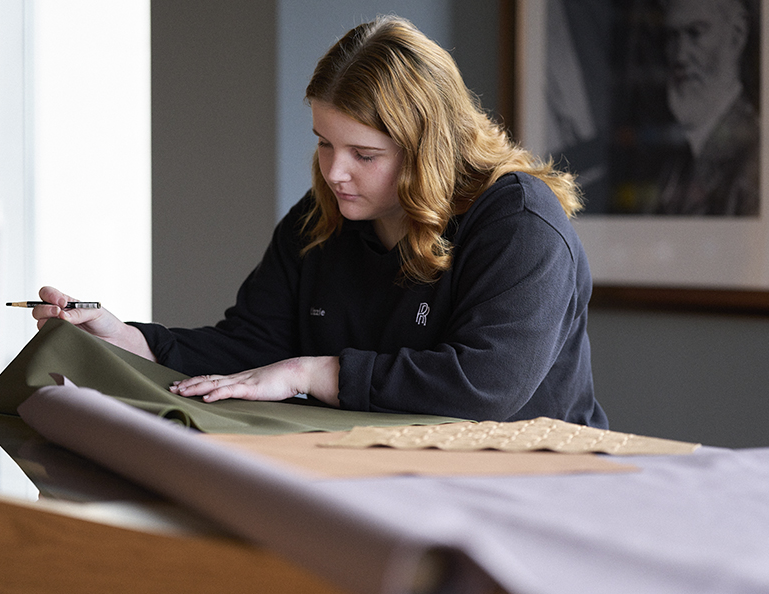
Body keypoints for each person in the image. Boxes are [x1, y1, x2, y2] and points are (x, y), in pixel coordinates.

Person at [34, 16, 608, 428]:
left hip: (538, 490)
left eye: (364, 154)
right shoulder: (318, 222)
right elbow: (251, 350)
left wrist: (312, 374)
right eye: (324, 143)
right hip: (388, 481)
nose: (334, 172)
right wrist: (128, 341)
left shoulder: (520, 223)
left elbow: (484, 386)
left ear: (429, 148)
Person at [656, 0, 759, 215]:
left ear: (736, 35)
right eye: (672, 37)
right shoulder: (672, 158)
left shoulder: (756, 153)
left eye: (695, 33)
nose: (680, 56)